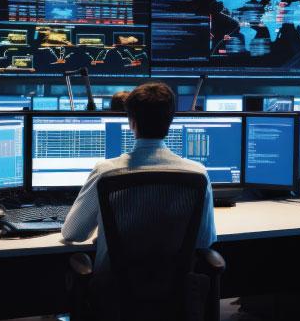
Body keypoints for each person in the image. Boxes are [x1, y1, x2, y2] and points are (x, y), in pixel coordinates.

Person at [61, 82, 217, 272]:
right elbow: (205, 240)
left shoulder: (106, 172)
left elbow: (73, 233)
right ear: (170, 121)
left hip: (115, 294)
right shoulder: (198, 173)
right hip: (174, 294)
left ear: (131, 122)